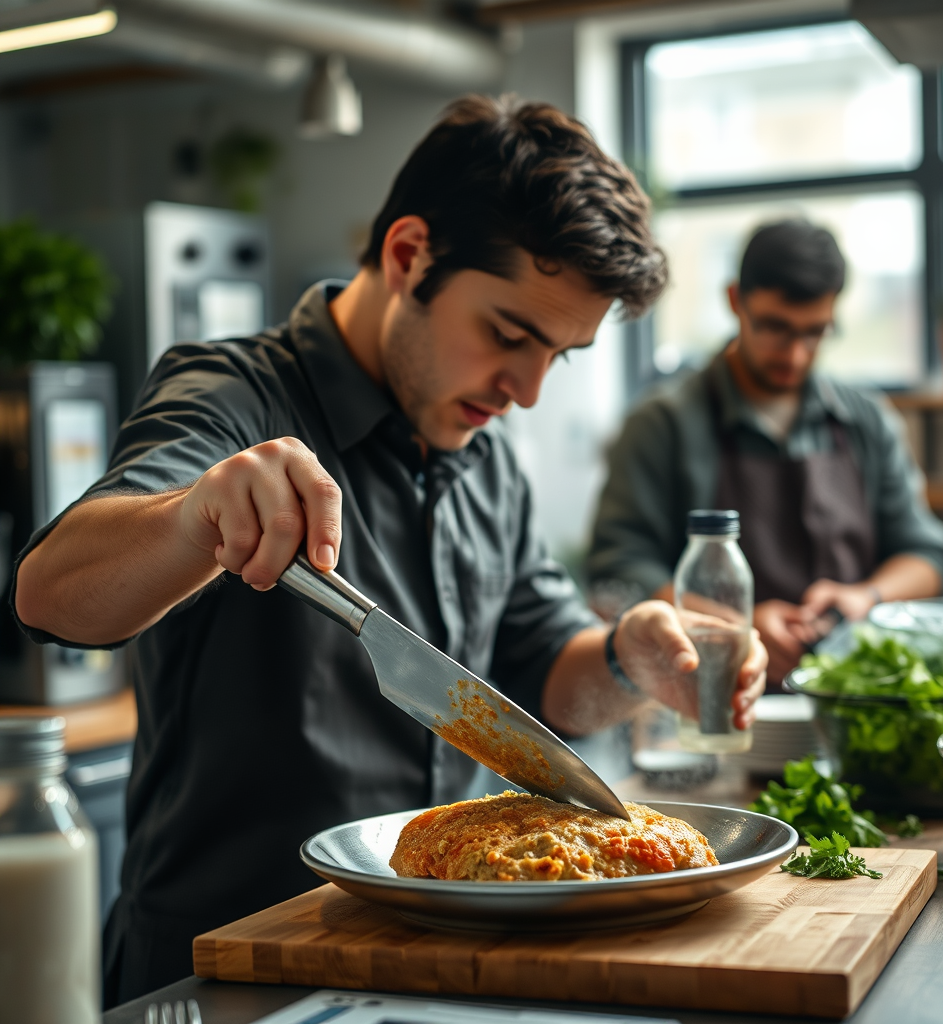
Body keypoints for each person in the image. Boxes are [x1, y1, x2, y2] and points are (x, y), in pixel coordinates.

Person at [12, 96, 767, 1005]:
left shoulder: (485, 456)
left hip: (435, 971)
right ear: (410, 255)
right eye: (509, 335)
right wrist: (190, 520)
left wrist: (630, 655)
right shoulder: (231, 391)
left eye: (556, 357)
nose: (524, 392)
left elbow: (541, 671)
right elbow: (50, 593)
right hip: (233, 973)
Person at [587, 219, 943, 686]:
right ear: (735, 301)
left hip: (851, 696)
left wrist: (866, 596)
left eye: (815, 333)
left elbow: (927, 556)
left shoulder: (867, 421)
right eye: (776, 328)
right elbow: (618, 575)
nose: (796, 354)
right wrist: (736, 626)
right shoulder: (662, 425)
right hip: (708, 696)